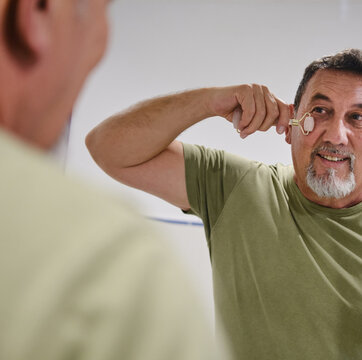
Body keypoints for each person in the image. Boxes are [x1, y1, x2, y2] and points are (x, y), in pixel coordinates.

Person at [86, 48, 362, 359]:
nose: (336, 134)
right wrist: (211, 101)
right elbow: (109, 147)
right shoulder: (235, 188)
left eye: (357, 117)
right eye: (320, 110)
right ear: (291, 125)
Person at [0, 1, 227, 359]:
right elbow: (108, 146)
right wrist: (211, 100)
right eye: (100, 13)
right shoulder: (111, 268)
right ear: (36, 13)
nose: (101, 48)